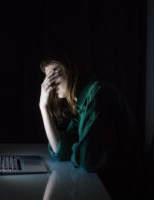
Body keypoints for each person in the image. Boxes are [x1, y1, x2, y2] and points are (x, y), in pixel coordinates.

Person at [39, 52, 142, 199]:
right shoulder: (82, 101)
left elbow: (88, 160)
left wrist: (77, 151)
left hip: (117, 189)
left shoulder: (97, 93)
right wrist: (43, 107)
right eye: (47, 77)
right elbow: (61, 150)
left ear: (71, 69)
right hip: (101, 184)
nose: (49, 83)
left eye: (54, 74)